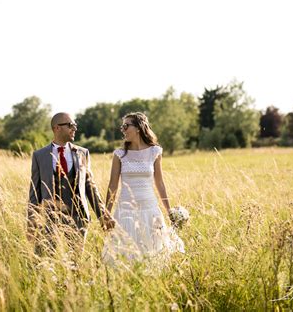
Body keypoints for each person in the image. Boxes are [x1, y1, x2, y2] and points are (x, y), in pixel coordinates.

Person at [27, 112, 115, 256]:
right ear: (56, 128)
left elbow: (90, 187)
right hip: (49, 219)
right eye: (70, 125)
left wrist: (103, 215)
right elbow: (34, 193)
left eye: (75, 125)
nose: (74, 128)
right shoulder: (39, 156)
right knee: (46, 261)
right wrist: (31, 222)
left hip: (78, 218)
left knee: (75, 263)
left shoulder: (82, 153)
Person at [102, 112, 184, 264]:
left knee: (153, 253)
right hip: (126, 211)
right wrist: (106, 214)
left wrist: (169, 211)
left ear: (138, 127)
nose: (123, 130)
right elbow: (112, 185)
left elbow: (160, 183)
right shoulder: (119, 154)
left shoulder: (155, 152)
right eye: (122, 127)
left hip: (150, 210)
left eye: (126, 126)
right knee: (126, 254)